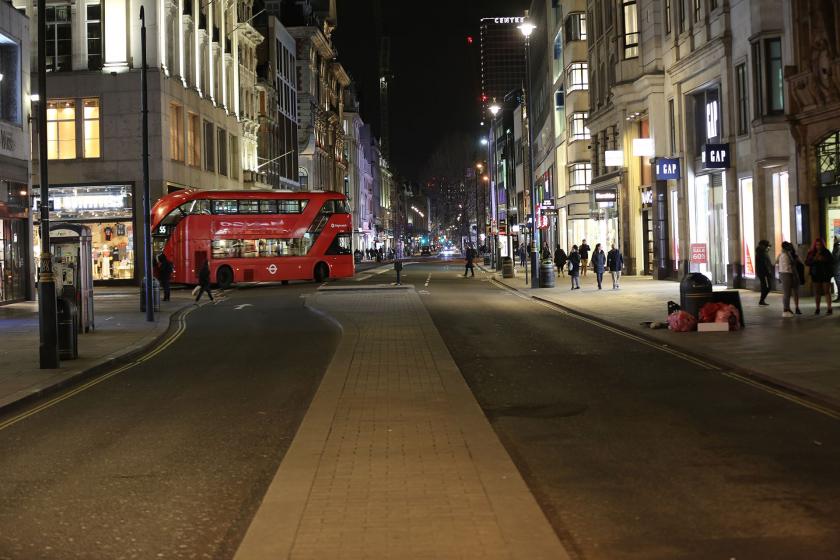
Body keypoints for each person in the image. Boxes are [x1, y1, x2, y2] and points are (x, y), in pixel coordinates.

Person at [805, 237, 834, 315]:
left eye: (820, 245)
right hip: (816, 274)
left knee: (826, 291)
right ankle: (817, 308)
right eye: (817, 245)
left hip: (825, 274)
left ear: (822, 245)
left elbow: (832, 261)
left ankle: (829, 308)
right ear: (815, 245)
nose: (818, 246)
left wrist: (824, 259)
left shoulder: (826, 252)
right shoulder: (812, 253)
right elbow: (807, 262)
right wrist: (814, 259)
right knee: (817, 292)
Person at [776, 241, 800, 317]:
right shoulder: (784, 255)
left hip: (786, 274)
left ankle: (787, 308)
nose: (790, 248)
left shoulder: (784, 254)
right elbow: (788, 266)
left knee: (787, 293)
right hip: (786, 274)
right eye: (789, 246)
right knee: (787, 293)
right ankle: (786, 309)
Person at [756, 240, 773, 306]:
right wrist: (768, 272)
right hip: (764, 273)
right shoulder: (762, 253)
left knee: (765, 287)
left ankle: (762, 300)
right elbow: (765, 264)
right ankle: (761, 300)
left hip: (763, 272)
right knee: (767, 287)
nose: (768, 248)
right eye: (767, 246)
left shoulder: (761, 252)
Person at [833, 237, 840, 303]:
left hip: (837, 268)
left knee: (838, 283)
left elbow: (836, 257)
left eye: (835, 238)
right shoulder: (836, 246)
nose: (833, 240)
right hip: (837, 268)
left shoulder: (837, 247)